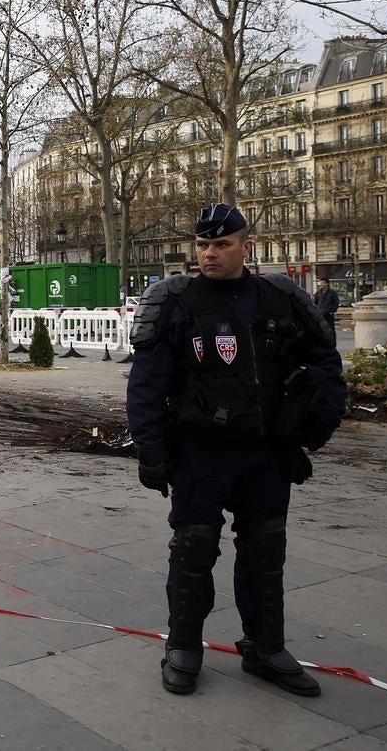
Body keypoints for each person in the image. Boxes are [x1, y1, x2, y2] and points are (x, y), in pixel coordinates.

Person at [127, 203, 345, 698]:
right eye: (203, 245)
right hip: (200, 456)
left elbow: (325, 362)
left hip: (265, 454)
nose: (210, 253)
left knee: (266, 552)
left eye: (222, 244)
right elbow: (145, 386)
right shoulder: (175, 301)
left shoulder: (279, 298)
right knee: (193, 550)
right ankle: (183, 645)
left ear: (246, 244)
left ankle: (266, 647)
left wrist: (316, 428)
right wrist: (151, 452)